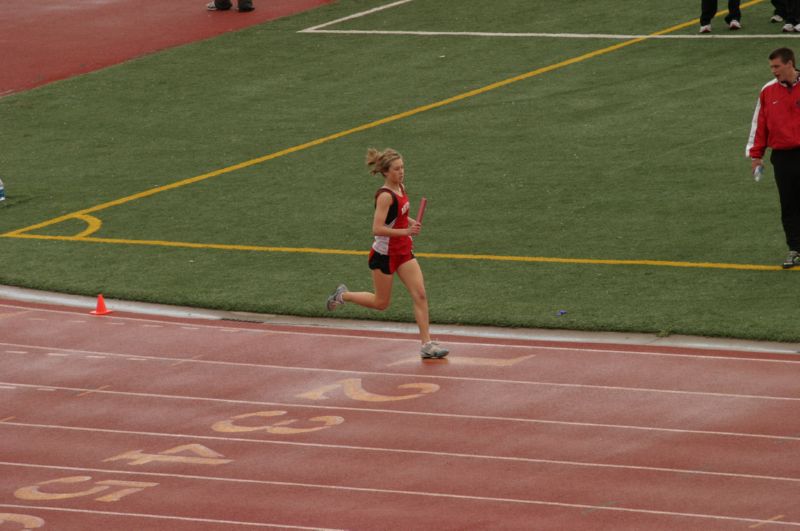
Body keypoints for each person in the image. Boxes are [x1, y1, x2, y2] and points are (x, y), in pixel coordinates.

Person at [326, 148, 449, 359]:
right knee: (381, 303)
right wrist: (406, 231)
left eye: (403, 167)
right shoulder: (385, 196)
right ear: (385, 171)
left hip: (403, 252)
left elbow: (400, 214)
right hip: (384, 255)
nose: (402, 172)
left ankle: (427, 344)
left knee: (420, 294)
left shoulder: (401, 187)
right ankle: (342, 295)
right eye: (397, 169)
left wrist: (410, 223)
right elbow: (377, 228)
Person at [746, 47, 800, 268]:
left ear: (790, 64)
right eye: (771, 67)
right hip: (783, 157)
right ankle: (795, 249)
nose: (774, 71)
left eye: (777, 66)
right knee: (789, 204)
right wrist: (755, 155)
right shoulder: (767, 91)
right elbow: (760, 125)